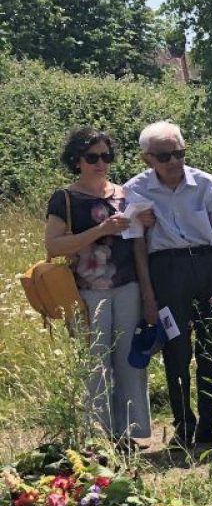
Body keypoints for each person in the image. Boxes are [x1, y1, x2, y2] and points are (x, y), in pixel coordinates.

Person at [126, 121, 212, 449]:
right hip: (166, 269)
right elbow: (137, 246)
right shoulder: (135, 189)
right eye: (165, 156)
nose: (175, 161)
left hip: (207, 266)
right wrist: (148, 295)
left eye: (179, 153)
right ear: (147, 159)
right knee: (177, 348)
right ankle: (184, 425)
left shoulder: (206, 183)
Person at [42, 127, 151, 445]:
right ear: (77, 160)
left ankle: (128, 432)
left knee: (128, 359)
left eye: (106, 156)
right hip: (85, 291)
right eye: (92, 157)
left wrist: (144, 225)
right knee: (95, 361)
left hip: (127, 285)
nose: (100, 163)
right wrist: (101, 229)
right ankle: (96, 434)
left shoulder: (124, 195)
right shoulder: (65, 198)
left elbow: (137, 245)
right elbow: (54, 245)